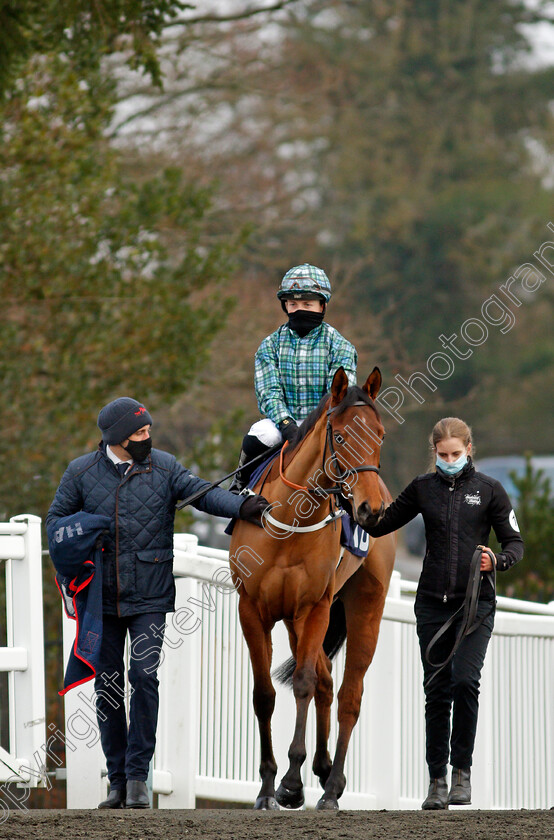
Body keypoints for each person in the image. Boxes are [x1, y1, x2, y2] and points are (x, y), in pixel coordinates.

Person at [46, 397, 269, 810]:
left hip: (151, 594)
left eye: (148, 431)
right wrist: (84, 532)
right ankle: (116, 781)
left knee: (144, 678)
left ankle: (136, 779)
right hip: (101, 599)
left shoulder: (165, 466)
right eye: (140, 434)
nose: (148, 438)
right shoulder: (79, 473)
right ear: (117, 439)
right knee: (108, 687)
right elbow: (55, 525)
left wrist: (244, 506)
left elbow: (203, 494)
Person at [363, 417, 524, 810]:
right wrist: (356, 511)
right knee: (436, 692)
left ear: (469, 449)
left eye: (456, 453)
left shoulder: (491, 490)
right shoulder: (422, 488)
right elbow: (382, 523)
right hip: (432, 604)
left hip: (476, 605)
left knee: (466, 682)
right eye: (442, 454)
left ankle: (461, 774)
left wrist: (497, 561)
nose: (449, 460)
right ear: (433, 451)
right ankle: (436, 780)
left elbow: (514, 544)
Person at [230, 263, 357, 492]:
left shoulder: (341, 346)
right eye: (293, 304)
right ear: (285, 306)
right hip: (283, 424)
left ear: (322, 305)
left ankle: (355, 512)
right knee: (260, 433)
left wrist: (317, 424)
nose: (299, 310)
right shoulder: (269, 345)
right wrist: (286, 422)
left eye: (307, 304)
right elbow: (268, 392)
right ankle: (240, 484)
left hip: (325, 424)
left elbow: (339, 395)